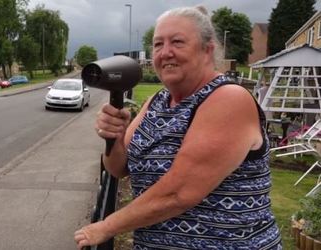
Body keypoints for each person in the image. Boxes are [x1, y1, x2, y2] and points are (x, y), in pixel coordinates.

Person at [74, 6, 282, 249]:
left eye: (177, 42)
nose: (166, 52)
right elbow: (118, 168)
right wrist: (114, 137)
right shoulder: (156, 102)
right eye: (158, 44)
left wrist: (106, 227)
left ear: (208, 50)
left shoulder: (228, 99)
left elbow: (179, 192)